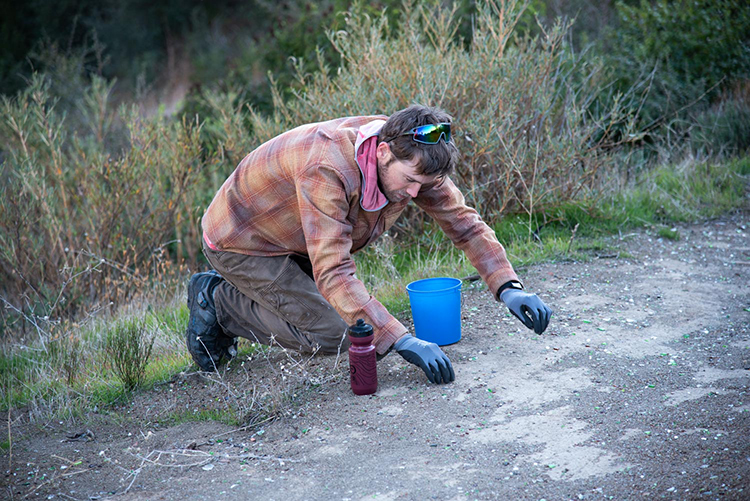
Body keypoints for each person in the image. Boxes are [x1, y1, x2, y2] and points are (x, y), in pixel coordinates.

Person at [185, 104, 552, 384]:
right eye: (409, 181)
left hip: (294, 237)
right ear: (382, 153)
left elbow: (465, 226)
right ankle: (218, 302)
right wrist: (400, 339)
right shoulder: (327, 169)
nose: (414, 194)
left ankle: (247, 297)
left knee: (352, 319)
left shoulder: (417, 157)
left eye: (422, 185)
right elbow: (334, 271)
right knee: (337, 333)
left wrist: (509, 287)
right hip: (242, 241)